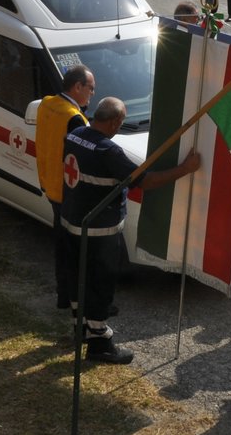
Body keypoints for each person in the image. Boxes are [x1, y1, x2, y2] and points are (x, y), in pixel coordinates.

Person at [62, 98, 201, 364]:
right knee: (101, 285)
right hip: (100, 231)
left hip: (72, 221)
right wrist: (185, 169)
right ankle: (100, 343)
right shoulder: (108, 151)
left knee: (78, 279)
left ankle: (80, 329)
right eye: (121, 122)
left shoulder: (75, 135)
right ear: (114, 122)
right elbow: (144, 181)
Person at [37, 65, 94, 310]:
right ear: (77, 87)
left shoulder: (47, 104)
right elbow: (79, 159)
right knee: (76, 251)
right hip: (69, 193)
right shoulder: (75, 118)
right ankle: (76, 300)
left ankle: (63, 295)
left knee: (61, 246)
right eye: (90, 88)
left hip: (50, 185)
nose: (92, 94)